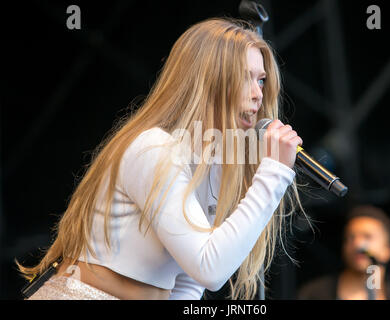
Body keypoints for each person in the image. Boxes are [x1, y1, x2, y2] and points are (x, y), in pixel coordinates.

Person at [17, 17, 307, 300]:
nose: (259, 94)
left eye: (262, 80)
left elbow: (189, 281)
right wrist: (274, 172)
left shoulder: (214, 162)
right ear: (206, 80)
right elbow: (211, 268)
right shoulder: (154, 148)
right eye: (245, 77)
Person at [297, 205, 390, 300]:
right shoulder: (314, 293)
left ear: (387, 251)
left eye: (367, 237)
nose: (358, 244)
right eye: (351, 238)